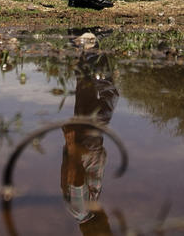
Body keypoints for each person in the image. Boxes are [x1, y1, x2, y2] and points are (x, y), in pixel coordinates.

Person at [60, 51, 118, 234]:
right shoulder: (84, 211)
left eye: (107, 227)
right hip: (84, 143)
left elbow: (75, 177)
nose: (108, 219)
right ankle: (81, 47)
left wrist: (70, 144)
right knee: (86, 93)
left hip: (86, 144)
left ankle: (94, 52)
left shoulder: (82, 211)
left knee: (109, 96)